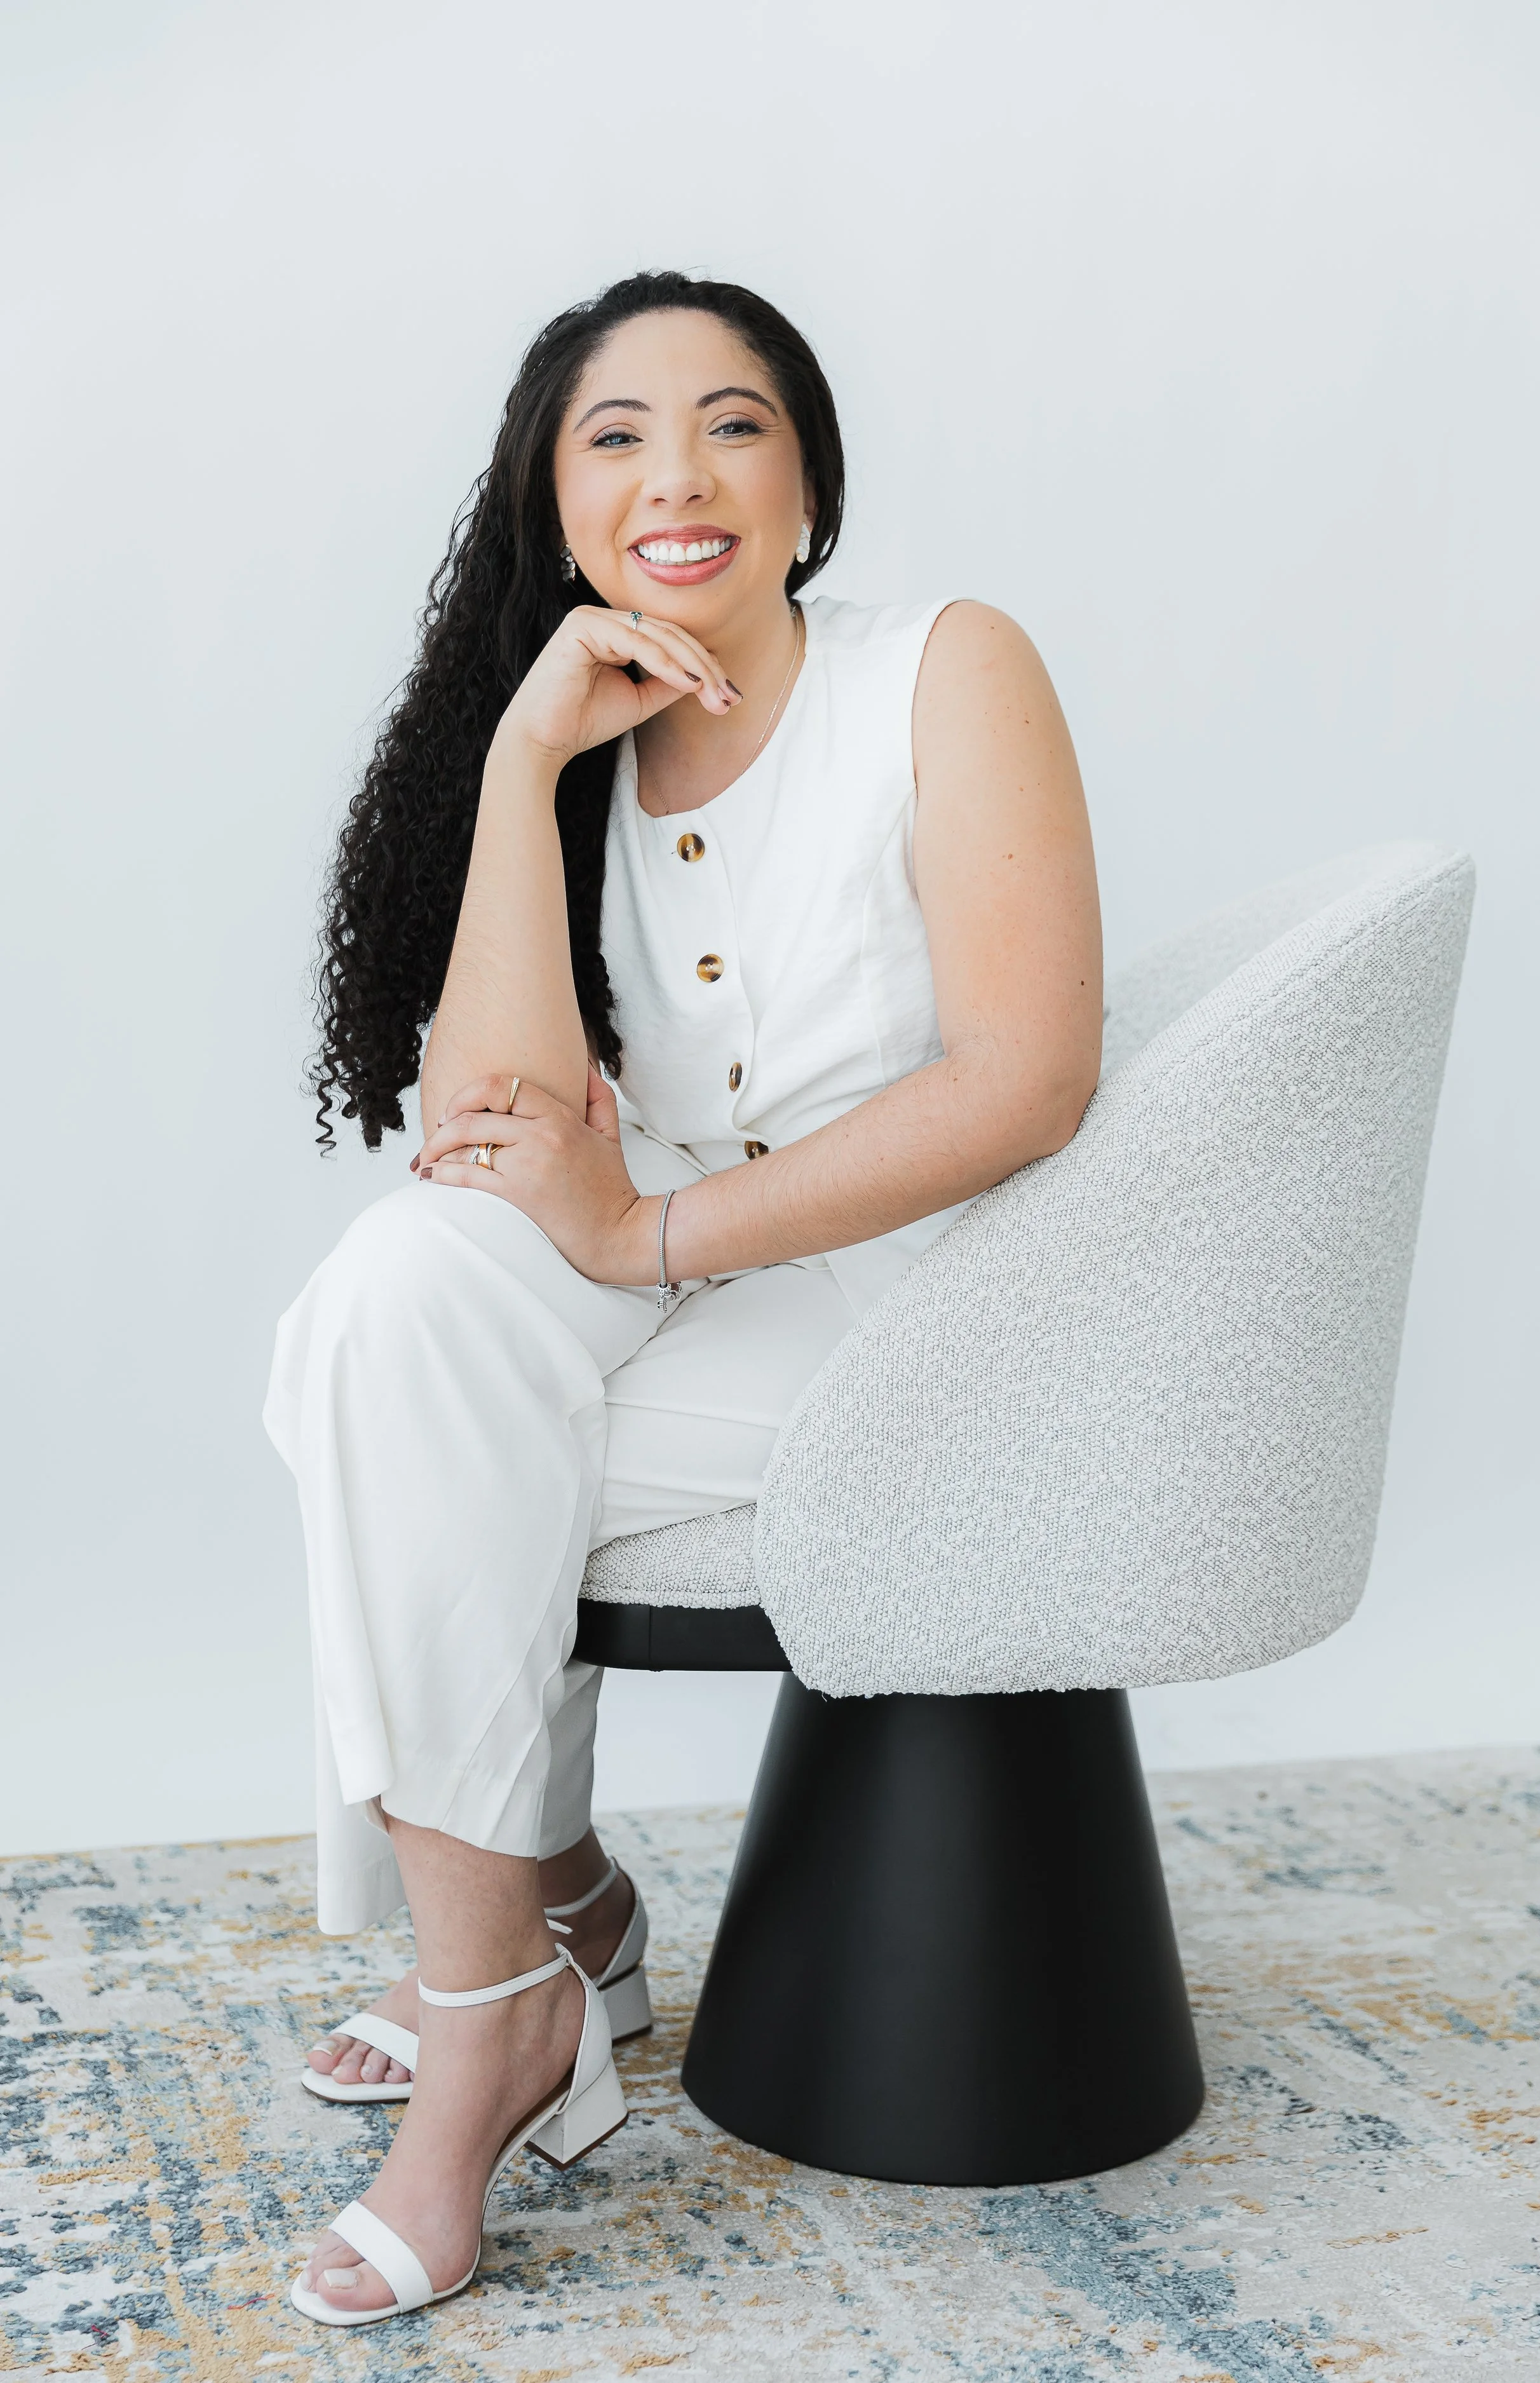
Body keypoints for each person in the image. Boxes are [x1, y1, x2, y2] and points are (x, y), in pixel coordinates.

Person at [265, 269, 1102, 2326]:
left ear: (808, 481)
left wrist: (648, 1236)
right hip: (656, 1255)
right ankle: (525, 1946)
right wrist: (520, 760)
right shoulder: (575, 731)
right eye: (614, 437)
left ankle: (504, 1996)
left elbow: (1024, 1077)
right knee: (387, 1314)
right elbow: (486, 1127)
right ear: (554, 505)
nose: (677, 476)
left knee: (419, 1437)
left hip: (917, 1293)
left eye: (733, 424)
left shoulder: (944, 667)